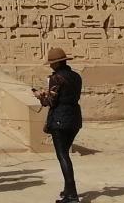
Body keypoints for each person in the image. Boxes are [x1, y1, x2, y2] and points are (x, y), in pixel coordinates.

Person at [33, 48, 83, 203]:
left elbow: (51, 102)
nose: (50, 66)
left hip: (60, 119)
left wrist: (40, 97)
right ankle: (68, 189)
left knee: (63, 156)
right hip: (75, 117)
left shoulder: (57, 78)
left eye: (52, 64)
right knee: (65, 154)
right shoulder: (76, 76)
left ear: (58, 63)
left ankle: (72, 194)